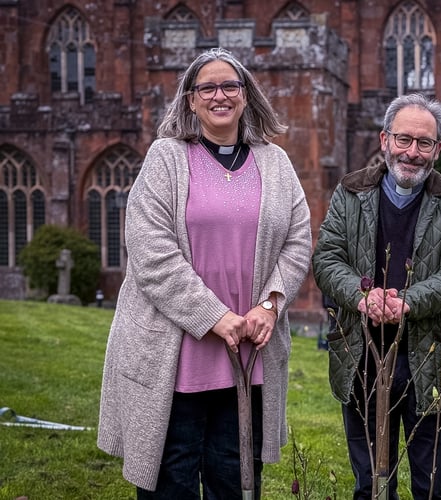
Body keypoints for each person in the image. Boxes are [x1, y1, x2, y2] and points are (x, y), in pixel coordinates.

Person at [97, 47, 312, 499]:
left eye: (230, 86)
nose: (220, 95)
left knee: (233, 481)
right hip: (175, 357)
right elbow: (150, 253)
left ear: (246, 95)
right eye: (207, 87)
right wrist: (215, 316)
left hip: (248, 353)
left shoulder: (275, 163)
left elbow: (297, 241)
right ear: (191, 100)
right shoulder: (166, 158)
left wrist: (270, 306)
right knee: (170, 481)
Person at [312, 93, 441, 500]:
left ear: (437, 149)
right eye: (404, 139)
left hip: (430, 358)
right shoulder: (350, 192)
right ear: (384, 139)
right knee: (371, 485)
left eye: (424, 143)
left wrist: (407, 300)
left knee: (434, 488)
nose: (413, 152)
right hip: (361, 357)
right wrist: (363, 297)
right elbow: (327, 258)